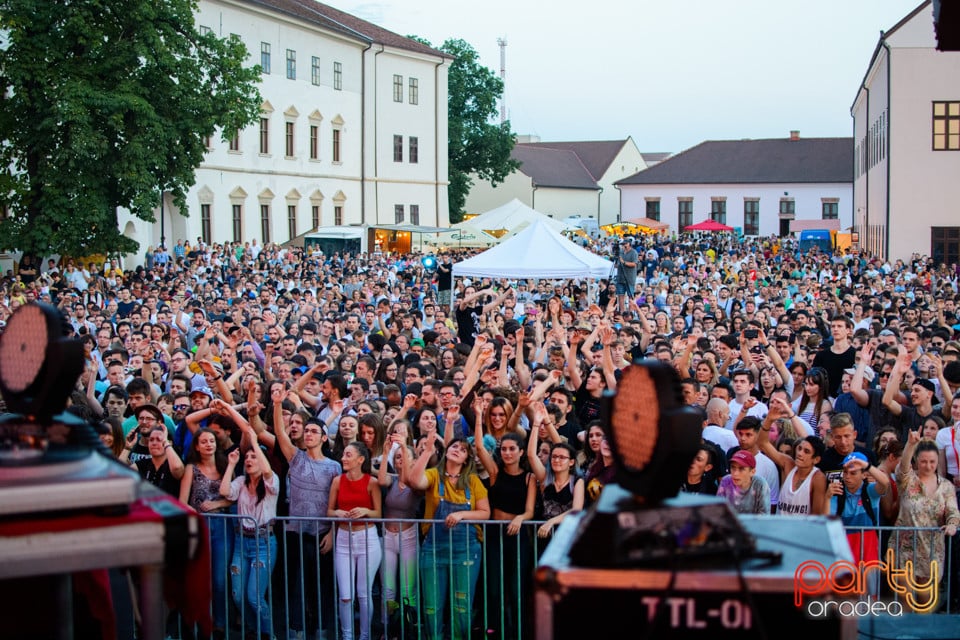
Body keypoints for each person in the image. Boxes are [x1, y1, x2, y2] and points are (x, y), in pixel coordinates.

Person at [272, 386, 342, 640]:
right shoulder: (296, 458)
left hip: (322, 534)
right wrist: (278, 404)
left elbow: (338, 503)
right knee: (297, 586)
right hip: (295, 533)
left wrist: (333, 534)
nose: (310, 433)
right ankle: (297, 631)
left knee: (321, 586)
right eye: (307, 430)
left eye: (315, 431)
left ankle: (322, 631)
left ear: (324, 437)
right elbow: (280, 432)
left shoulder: (335, 467)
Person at [407, 436, 490, 640]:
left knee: (462, 605)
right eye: (454, 446)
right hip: (433, 549)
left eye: (462, 450)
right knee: (431, 606)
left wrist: (461, 515)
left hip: (466, 550)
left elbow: (485, 513)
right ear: (446, 450)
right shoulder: (434, 475)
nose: (457, 450)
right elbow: (414, 481)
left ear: (466, 459)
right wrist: (426, 452)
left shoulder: (473, 481)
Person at [473, 424, 536, 638]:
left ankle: (517, 631)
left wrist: (520, 518)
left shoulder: (529, 478)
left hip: (518, 537)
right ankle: (494, 630)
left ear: (520, 451)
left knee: (516, 587)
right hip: (494, 536)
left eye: (512, 449)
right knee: (493, 586)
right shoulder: (495, 472)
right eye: (504, 449)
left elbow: (529, 511)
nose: (507, 453)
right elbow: (480, 448)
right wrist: (480, 415)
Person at [889, 430, 960, 612]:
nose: (928, 466)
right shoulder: (907, 481)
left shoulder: (946, 487)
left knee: (925, 607)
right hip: (904, 549)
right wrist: (911, 444)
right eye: (923, 461)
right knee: (904, 604)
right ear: (916, 461)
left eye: (932, 462)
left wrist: (952, 524)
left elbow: (953, 511)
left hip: (932, 552)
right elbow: (903, 467)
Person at [220, 435, 279, 639]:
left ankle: (268, 634)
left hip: (263, 543)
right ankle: (256, 630)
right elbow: (225, 491)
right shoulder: (240, 481)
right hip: (241, 542)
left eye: (254, 457)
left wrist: (254, 443)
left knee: (254, 596)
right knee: (238, 596)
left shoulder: (272, 482)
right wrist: (232, 464)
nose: (249, 460)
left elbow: (267, 472)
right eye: (247, 457)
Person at [179, 428, 234, 638]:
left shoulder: (224, 466)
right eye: (204, 441)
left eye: (211, 441)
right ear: (197, 446)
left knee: (219, 580)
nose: (209, 444)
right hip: (199, 528)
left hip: (222, 526)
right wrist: (198, 514)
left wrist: (217, 504)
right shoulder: (191, 469)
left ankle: (219, 623)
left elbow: (233, 496)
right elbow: (182, 502)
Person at [328, 442, 382, 640]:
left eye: (348, 455)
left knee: (363, 593)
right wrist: (338, 513)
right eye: (343, 454)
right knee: (345, 595)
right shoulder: (337, 481)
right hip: (343, 539)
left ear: (360, 459)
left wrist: (366, 511)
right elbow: (329, 511)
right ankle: (347, 636)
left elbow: (378, 514)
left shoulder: (372, 482)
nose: (343, 458)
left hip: (367, 538)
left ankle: (365, 636)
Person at [377, 435, 422, 634]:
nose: (400, 460)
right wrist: (387, 452)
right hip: (387, 537)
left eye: (403, 456)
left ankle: (408, 631)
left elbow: (408, 480)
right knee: (388, 589)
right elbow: (380, 479)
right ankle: (388, 630)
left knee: (407, 591)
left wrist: (403, 445)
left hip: (409, 538)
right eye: (397, 458)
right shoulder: (391, 480)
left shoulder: (416, 483)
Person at [828, 451, 891, 593]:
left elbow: (885, 483)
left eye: (853, 473)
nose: (847, 477)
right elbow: (827, 519)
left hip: (868, 554)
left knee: (869, 598)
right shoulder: (837, 493)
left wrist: (866, 465)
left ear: (864, 474)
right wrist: (827, 497)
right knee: (845, 598)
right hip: (844, 554)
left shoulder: (869, 492)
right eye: (845, 472)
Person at [758, 397, 828, 516]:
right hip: (780, 530)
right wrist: (769, 420)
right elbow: (762, 443)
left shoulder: (818, 478)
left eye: (806, 451)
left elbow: (817, 516)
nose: (800, 453)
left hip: (801, 532)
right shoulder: (788, 464)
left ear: (816, 459)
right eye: (799, 449)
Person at [717, 449, 770, 514]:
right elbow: (718, 511)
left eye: (741, 469)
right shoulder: (726, 481)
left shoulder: (760, 484)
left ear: (752, 472)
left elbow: (764, 516)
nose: (735, 473)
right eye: (733, 467)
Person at [614, 237, 639, 314]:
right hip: (620, 277)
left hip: (629, 277)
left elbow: (634, 264)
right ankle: (622, 311)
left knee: (630, 295)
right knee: (620, 295)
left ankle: (630, 311)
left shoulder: (633, 252)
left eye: (625, 244)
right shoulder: (621, 252)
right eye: (623, 244)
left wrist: (624, 262)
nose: (624, 245)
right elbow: (617, 264)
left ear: (629, 244)